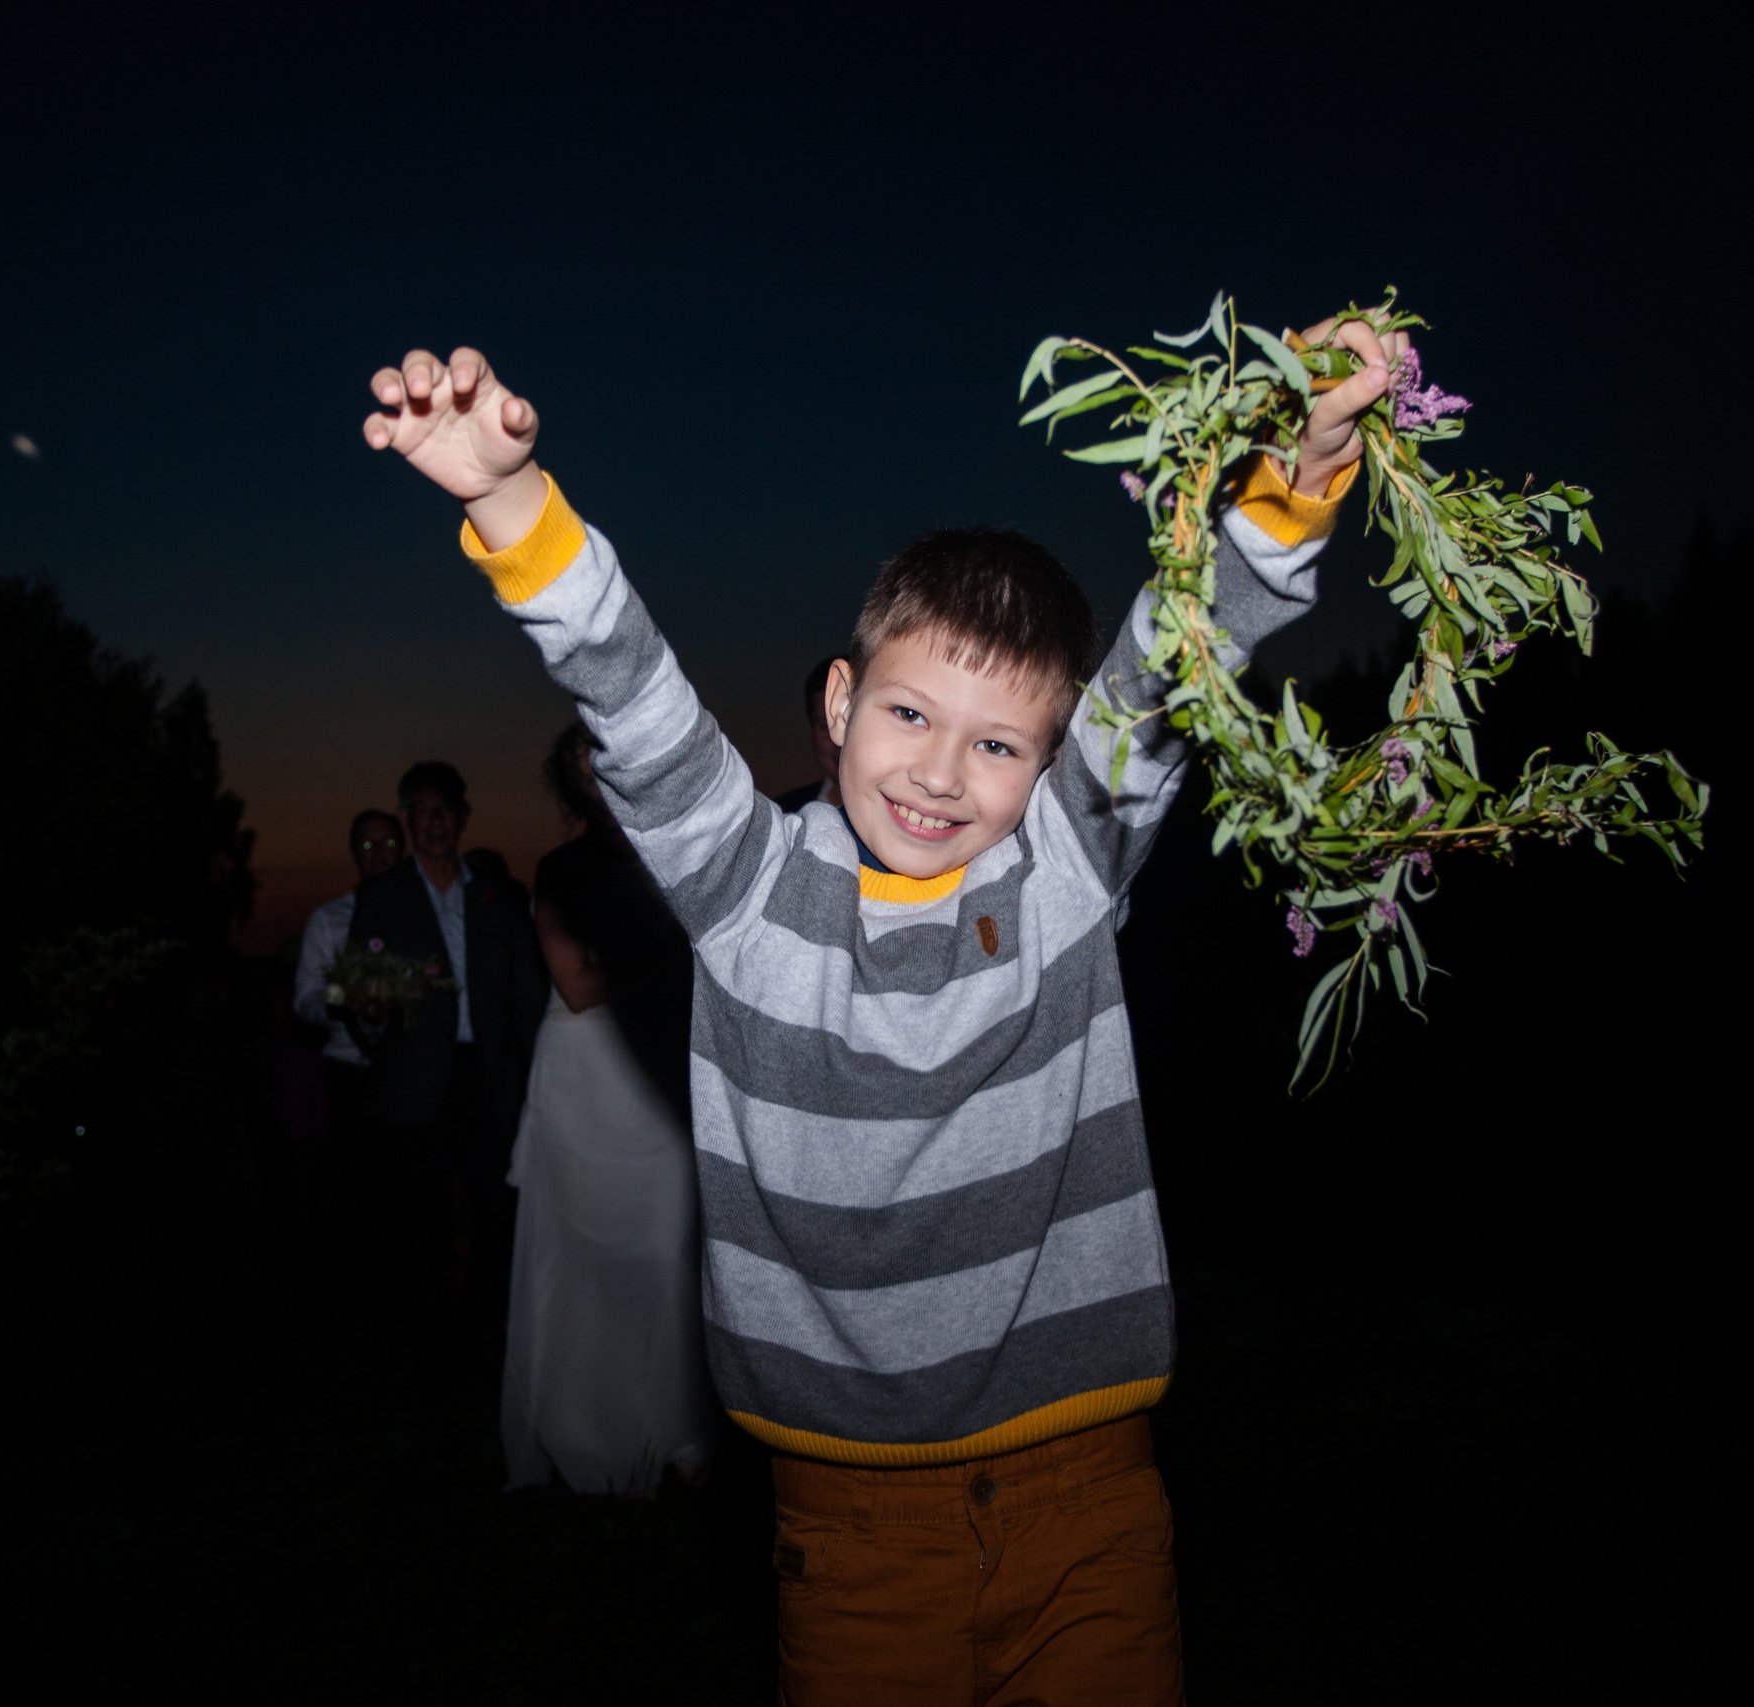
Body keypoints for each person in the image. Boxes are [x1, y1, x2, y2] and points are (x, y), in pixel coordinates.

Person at [363, 320, 1394, 1704]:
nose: (942, 772)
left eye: (999, 743)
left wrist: (1296, 475)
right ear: (841, 705)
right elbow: (631, 691)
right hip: (851, 1530)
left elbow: (1174, 659)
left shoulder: (1067, 870)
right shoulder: (746, 886)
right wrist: (510, 501)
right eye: (910, 715)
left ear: (1054, 761)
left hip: (1086, 1498)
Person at [500, 721, 713, 1496]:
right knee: (585, 1259)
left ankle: (676, 1427)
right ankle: (588, 1428)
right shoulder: (561, 867)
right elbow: (577, 986)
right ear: (572, 783)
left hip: (660, 1065)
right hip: (587, 1074)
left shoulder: (675, 848)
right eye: (583, 768)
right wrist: (672, 949)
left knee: (668, 1251)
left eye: (608, 761)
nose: (599, 776)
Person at [347, 760, 546, 1345]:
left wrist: (538, 1076)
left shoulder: (498, 895)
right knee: (421, 1219)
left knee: (496, 1209)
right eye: (423, 811)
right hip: (415, 1083)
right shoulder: (382, 896)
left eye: (446, 810)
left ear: (463, 818)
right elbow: (361, 991)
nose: (435, 822)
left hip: (488, 1079)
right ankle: (429, 1340)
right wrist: (370, 1015)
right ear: (407, 818)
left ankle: (484, 1327)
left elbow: (528, 996)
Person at [291, 808, 404, 1225]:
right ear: (354, 852)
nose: (378, 853)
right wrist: (346, 997)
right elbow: (306, 999)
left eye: (388, 843)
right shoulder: (328, 919)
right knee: (357, 1193)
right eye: (368, 844)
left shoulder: (420, 917)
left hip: (408, 1072)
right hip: (350, 1075)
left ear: (402, 850)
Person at [771, 654, 845, 813]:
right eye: (825, 726)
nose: (839, 740)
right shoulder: (783, 816)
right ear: (811, 731)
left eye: (850, 722)